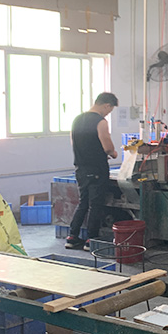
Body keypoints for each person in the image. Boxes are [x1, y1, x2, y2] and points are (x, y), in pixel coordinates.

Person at [65, 92, 118, 250]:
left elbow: (75, 143)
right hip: (97, 170)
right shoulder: (100, 122)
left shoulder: (77, 120)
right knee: (95, 205)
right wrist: (113, 153)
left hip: (81, 168)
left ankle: (72, 237)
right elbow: (108, 147)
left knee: (83, 202)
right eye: (109, 110)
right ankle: (91, 239)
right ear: (106, 105)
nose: (108, 114)